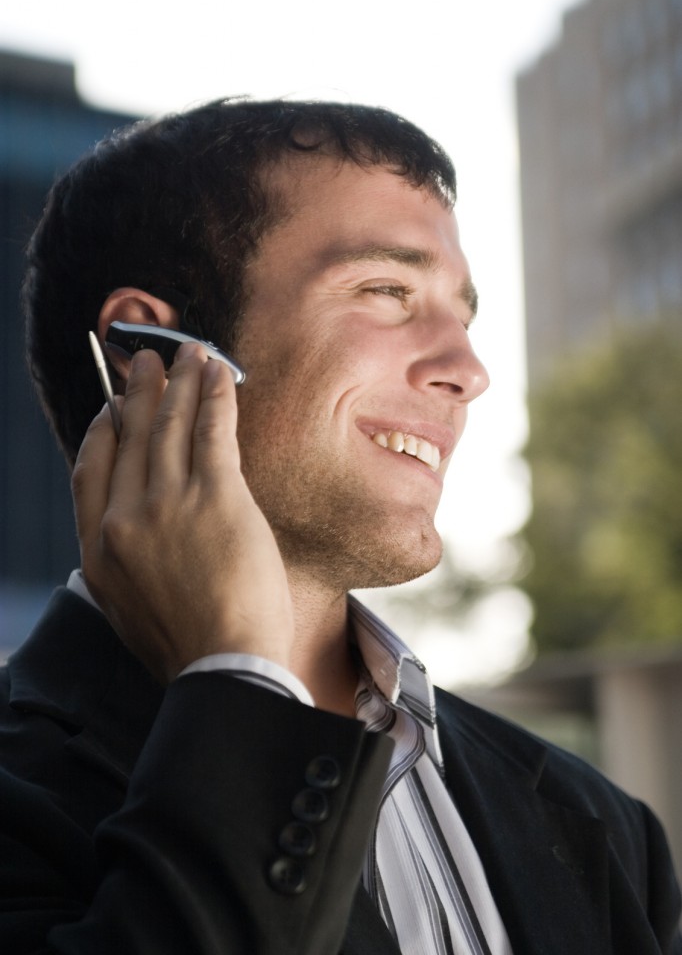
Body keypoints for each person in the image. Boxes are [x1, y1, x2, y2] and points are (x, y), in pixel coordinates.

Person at [1, 98, 680, 955]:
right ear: (152, 361)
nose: (467, 372)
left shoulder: (603, 827)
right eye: (387, 291)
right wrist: (237, 685)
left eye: (461, 318)